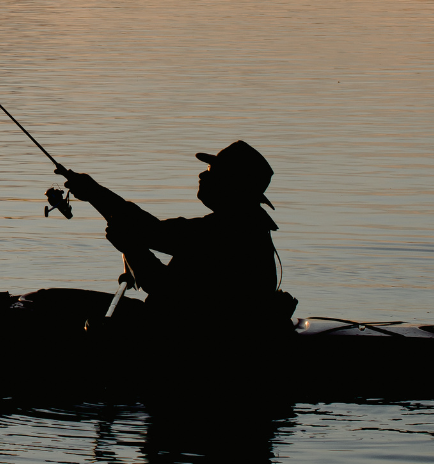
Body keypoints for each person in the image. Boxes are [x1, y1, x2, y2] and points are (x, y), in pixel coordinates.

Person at [57, 140, 295, 334]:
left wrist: (131, 247)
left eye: (213, 171)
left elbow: (164, 287)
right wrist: (95, 193)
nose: (202, 174)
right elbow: (149, 230)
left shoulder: (224, 232)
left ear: (231, 185)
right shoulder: (243, 226)